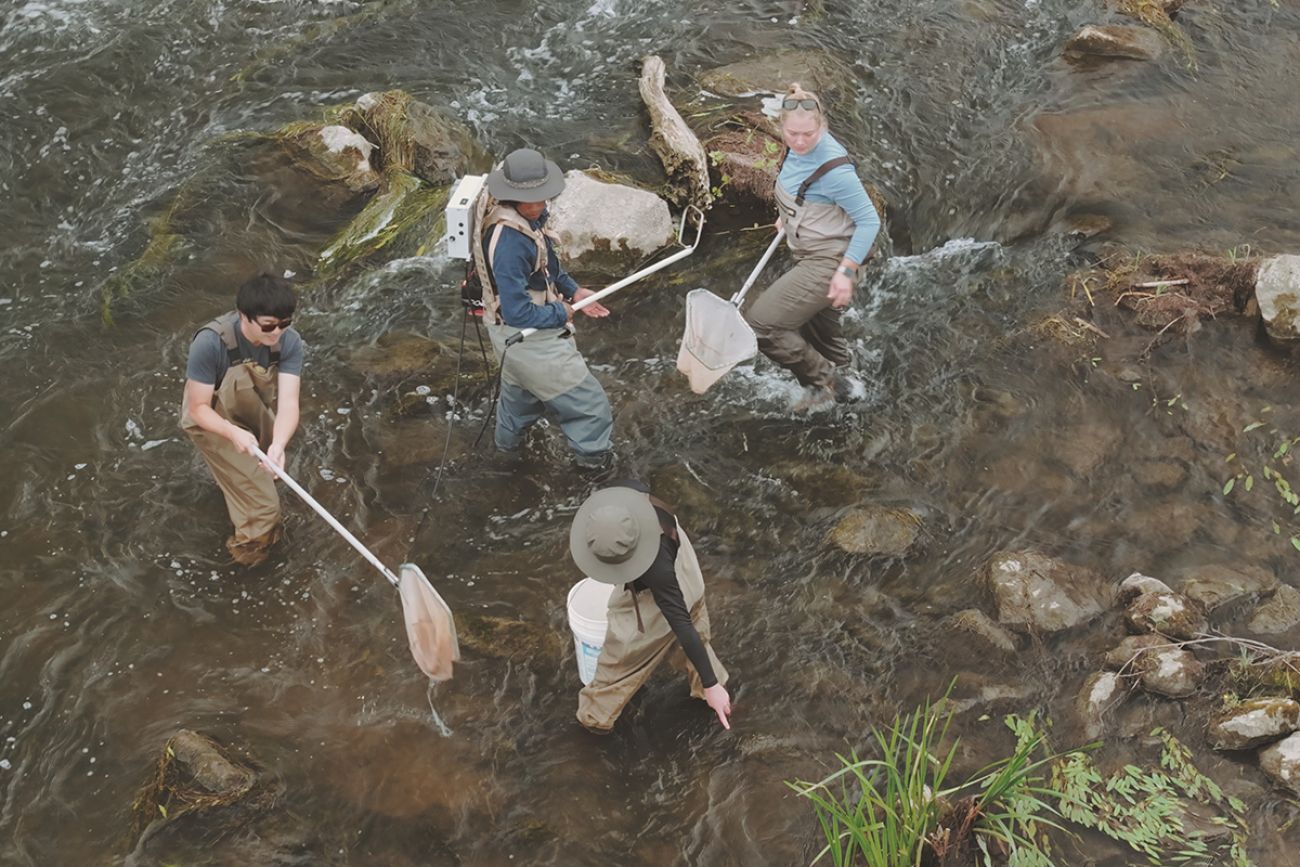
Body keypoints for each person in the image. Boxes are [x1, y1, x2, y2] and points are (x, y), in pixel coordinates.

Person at [474, 147, 613, 469]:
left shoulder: (530, 220)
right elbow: (518, 313)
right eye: (531, 200)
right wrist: (561, 313)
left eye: (542, 198)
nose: (538, 205)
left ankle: (504, 461)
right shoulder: (509, 242)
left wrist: (573, 291)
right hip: (527, 338)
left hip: (510, 342)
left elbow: (547, 266)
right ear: (510, 198)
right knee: (590, 408)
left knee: (519, 402)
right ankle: (593, 470)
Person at [746, 83, 882, 413]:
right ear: (781, 126)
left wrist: (845, 273)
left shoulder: (836, 172)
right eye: (793, 133)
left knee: (762, 325)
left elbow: (869, 221)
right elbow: (800, 189)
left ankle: (832, 385)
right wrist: (789, 218)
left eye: (809, 134)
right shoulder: (796, 147)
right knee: (818, 332)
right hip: (810, 251)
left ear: (822, 126)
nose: (801, 141)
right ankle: (856, 398)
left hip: (831, 260)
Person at [569, 481, 732, 733]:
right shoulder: (627, 502)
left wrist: (711, 685)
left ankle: (594, 718)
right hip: (686, 568)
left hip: (667, 583)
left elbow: (680, 623)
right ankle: (713, 691)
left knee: (619, 657)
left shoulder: (657, 571)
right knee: (693, 621)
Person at [181, 273, 303, 566]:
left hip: (249, 404)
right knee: (264, 508)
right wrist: (233, 433)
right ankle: (246, 556)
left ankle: (233, 484)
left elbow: (288, 403)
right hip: (211, 419)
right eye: (268, 326)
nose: (276, 333)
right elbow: (197, 407)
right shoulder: (209, 343)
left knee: (269, 466)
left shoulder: (290, 342)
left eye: (284, 325)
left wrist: (278, 444)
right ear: (243, 317)